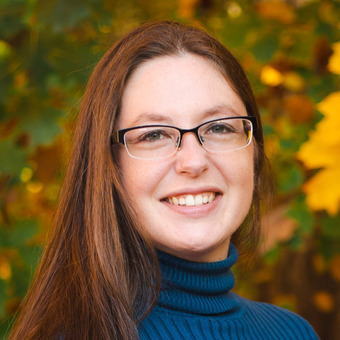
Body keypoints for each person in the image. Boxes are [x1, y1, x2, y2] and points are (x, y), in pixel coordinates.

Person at [9, 20, 319, 340]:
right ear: (109, 166)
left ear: (254, 151)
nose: (194, 161)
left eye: (219, 128)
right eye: (154, 134)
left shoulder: (293, 332)